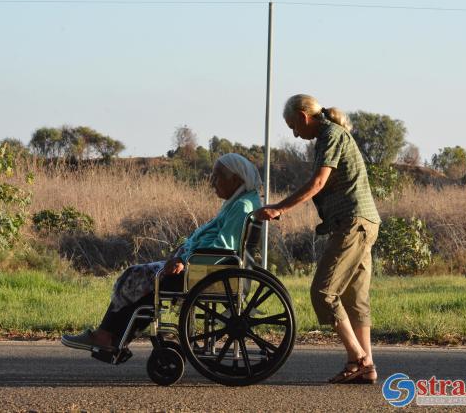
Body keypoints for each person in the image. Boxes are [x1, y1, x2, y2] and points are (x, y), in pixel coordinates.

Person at [62, 153, 262, 351]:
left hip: (200, 269)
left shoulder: (241, 206)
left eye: (216, 176)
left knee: (134, 276)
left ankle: (105, 337)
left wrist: (183, 260)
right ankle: (112, 337)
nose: (212, 182)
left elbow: (223, 247)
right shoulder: (240, 202)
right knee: (138, 278)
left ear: (236, 179)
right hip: (198, 265)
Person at [254, 94, 381, 384]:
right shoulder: (329, 135)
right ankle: (366, 365)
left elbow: (318, 182)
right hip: (361, 222)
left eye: (293, 126)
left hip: (354, 223)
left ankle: (359, 358)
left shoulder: (330, 135)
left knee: (323, 292)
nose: (295, 134)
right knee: (354, 299)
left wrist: (279, 208)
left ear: (303, 116)